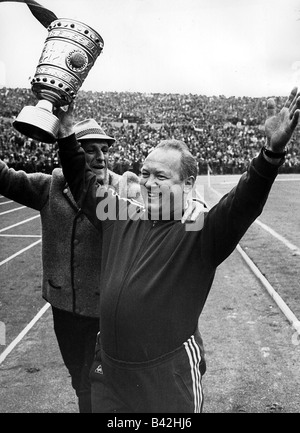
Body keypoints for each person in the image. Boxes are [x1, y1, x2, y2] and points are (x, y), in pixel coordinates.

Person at [56, 87, 300, 413]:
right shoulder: (119, 214)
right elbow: (82, 182)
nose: (148, 182)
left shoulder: (197, 231)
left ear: (188, 183)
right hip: (110, 372)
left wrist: (269, 155)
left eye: (161, 176)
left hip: (165, 378)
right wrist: (66, 132)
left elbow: (240, 206)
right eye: (144, 173)